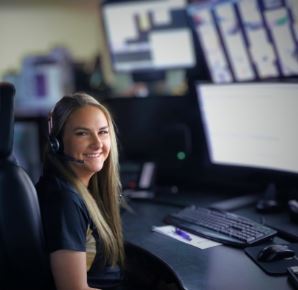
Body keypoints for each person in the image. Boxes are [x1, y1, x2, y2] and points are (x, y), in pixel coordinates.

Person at [36, 92, 124, 290]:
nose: (97, 143)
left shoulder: (80, 190)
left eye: (102, 132)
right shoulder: (64, 199)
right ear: (57, 143)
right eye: (82, 133)